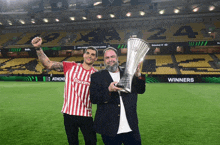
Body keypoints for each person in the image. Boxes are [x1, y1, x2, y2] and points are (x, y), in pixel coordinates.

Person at [31, 37, 97, 145]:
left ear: (95, 58)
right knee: (72, 142)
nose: (90, 55)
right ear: (83, 55)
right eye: (88, 53)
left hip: (86, 115)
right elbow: (48, 64)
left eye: (93, 54)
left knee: (91, 142)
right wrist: (38, 48)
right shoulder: (70, 66)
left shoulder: (96, 74)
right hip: (69, 114)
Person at [90, 47, 146, 145]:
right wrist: (109, 90)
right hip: (109, 129)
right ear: (104, 61)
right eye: (107, 58)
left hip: (130, 127)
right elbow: (94, 98)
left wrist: (138, 75)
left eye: (112, 56)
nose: (110, 60)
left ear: (117, 58)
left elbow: (141, 90)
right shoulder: (97, 76)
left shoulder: (128, 73)